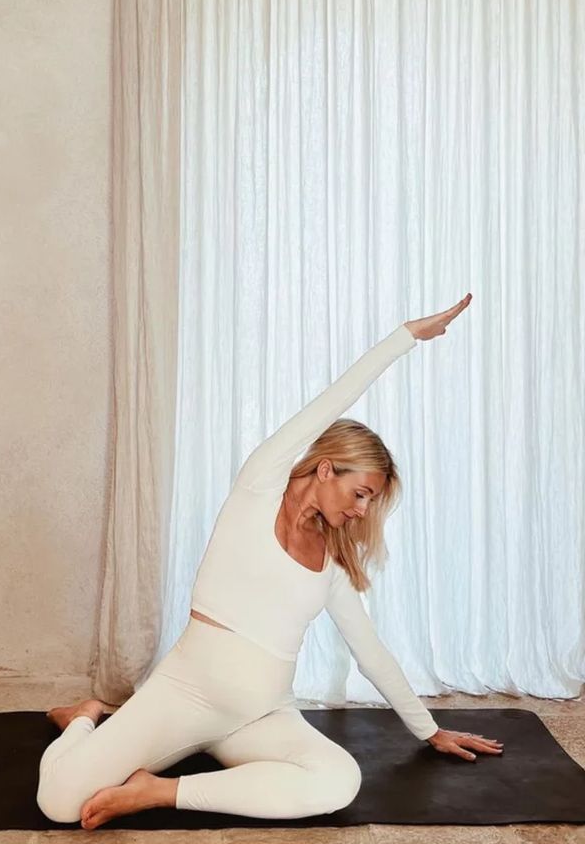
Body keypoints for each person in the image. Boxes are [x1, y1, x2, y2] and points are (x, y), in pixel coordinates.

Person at [37, 292, 503, 831]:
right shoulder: (258, 490)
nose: (361, 511)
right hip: (183, 698)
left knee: (339, 780)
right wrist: (404, 338)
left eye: (371, 502)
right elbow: (328, 403)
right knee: (59, 802)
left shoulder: (330, 562)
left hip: (260, 717)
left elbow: (369, 650)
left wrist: (429, 731)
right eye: (361, 493)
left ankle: (160, 791)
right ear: (326, 469)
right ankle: (83, 720)